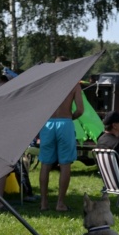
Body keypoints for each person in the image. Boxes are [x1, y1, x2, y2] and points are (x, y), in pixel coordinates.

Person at [38, 56, 84, 212]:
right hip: (65, 123)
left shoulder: (47, 83)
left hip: (48, 123)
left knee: (45, 164)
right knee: (65, 164)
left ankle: (44, 203)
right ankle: (60, 203)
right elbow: (80, 110)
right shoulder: (74, 84)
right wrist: (70, 117)